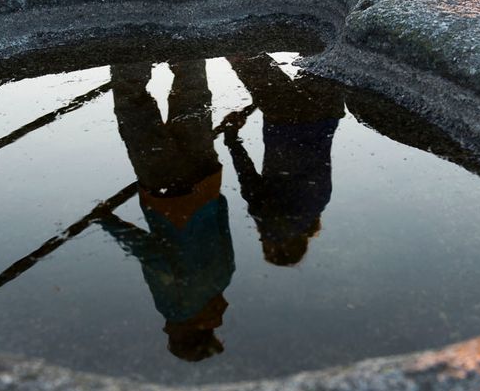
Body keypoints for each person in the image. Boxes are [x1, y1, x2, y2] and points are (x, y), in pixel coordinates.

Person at [100, 60, 235, 362]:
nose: (164, 330)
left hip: (206, 179)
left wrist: (209, 193)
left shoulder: (222, 282)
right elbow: (154, 256)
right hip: (168, 195)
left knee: (192, 96)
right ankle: (130, 45)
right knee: (133, 108)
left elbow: (223, 218)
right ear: (183, 332)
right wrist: (108, 221)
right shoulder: (177, 306)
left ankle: (186, 38)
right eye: (171, 337)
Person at [224, 53, 345, 266]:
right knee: (241, 52)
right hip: (286, 120)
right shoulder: (272, 223)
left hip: (327, 111)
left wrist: (257, 103)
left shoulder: (318, 206)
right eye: (264, 243)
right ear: (278, 244)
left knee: (319, 49)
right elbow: (247, 176)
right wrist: (231, 137)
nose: (261, 237)